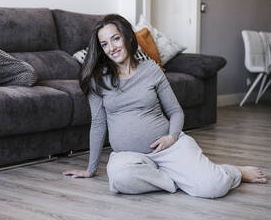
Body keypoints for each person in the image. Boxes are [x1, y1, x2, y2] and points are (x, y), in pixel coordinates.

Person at [62, 14, 267, 198]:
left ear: (128, 37)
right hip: (129, 156)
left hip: (170, 148)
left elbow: (175, 111)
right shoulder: (98, 80)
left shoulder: (151, 69)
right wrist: (90, 169)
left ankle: (232, 171)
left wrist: (172, 136)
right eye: (104, 44)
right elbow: (98, 124)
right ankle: (183, 178)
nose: (112, 48)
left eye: (115, 38)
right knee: (120, 178)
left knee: (213, 188)